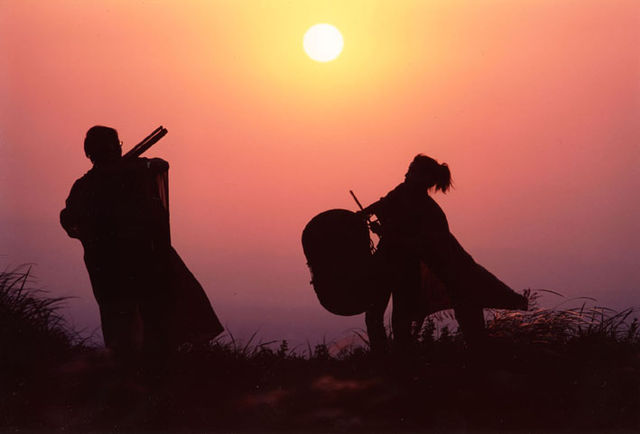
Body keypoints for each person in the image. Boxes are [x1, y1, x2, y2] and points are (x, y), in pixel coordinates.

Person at [61, 126, 223, 368]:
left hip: (109, 267)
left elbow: (70, 219)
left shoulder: (89, 184)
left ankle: (130, 369)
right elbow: (73, 220)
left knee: (123, 320)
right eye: (115, 145)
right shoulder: (113, 178)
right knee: (144, 318)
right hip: (137, 263)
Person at [359, 154, 527, 352]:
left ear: (423, 178)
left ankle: (397, 363)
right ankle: (386, 360)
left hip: (406, 270)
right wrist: (360, 216)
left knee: (398, 321)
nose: (406, 174)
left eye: (411, 171)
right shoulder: (402, 192)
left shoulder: (430, 212)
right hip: (389, 264)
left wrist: (388, 233)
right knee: (377, 316)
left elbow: (423, 245)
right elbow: (383, 205)